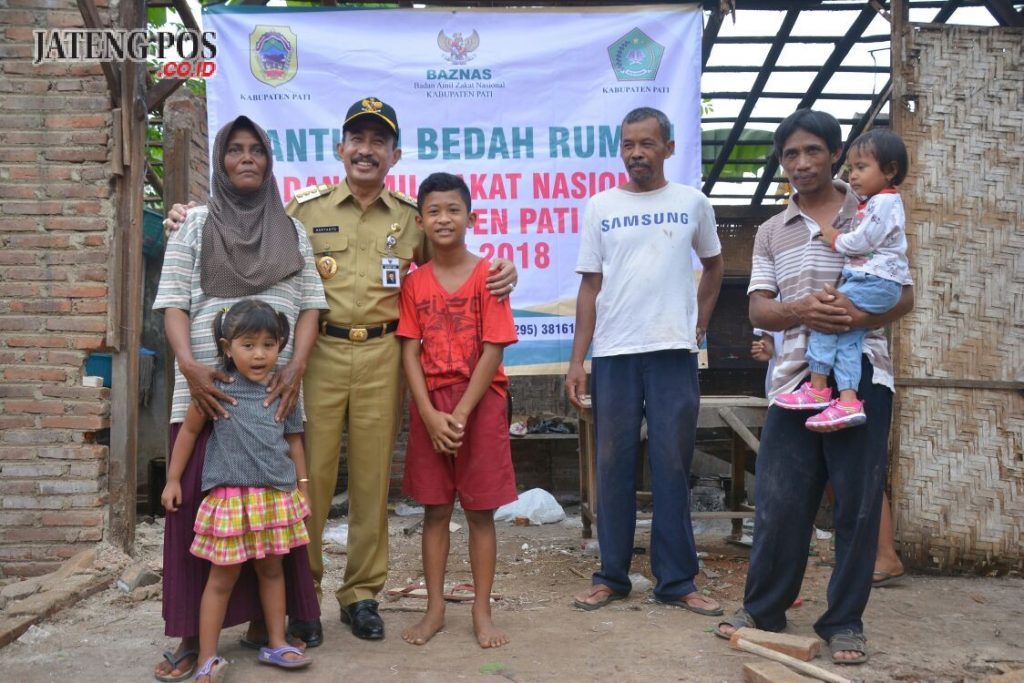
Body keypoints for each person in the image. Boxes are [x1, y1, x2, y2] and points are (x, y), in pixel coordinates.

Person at [164, 97, 517, 644]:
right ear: (340, 148)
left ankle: (362, 595)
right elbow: (247, 224)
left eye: (379, 141)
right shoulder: (306, 210)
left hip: (384, 356)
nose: (367, 150)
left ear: (394, 154)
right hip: (318, 357)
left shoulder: (411, 217)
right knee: (312, 476)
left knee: (375, 480)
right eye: (358, 139)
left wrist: (503, 270)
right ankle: (305, 593)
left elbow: (452, 259)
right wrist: (187, 215)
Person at [715, 110, 914, 666]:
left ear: (834, 153)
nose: (801, 163)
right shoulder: (772, 231)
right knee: (779, 502)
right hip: (792, 382)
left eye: (812, 151)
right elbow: (757, 306)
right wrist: (799, 309)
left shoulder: (872, 208)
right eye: (790, 154)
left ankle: (844, 622)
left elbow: (905, 296)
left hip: (862, 378)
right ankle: (764, 609)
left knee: (855, 506)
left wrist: (853, 315)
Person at [153, 116, 327, 681]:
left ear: (269, 161)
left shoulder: (291, 230)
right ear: (221, 161)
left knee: (269, 517)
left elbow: (309, 306)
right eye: (235, 150)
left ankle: (264, 629)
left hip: (273, 395)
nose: (246, 158)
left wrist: (296, 366)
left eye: (257, 150)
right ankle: (188, 639)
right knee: (198, 528)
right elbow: (174, 302)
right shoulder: (196, 224)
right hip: (207, 394)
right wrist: (190, 366)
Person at [565, 107, 725, 616]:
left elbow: (715, 265)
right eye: (629, 144)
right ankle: (611, 576)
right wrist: (577, 360)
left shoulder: (692, 203)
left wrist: (698, 324)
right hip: (614, 353)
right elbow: (589, 285)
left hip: (673, 352)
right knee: (612, 466)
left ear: (669, 148)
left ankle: (677, 580)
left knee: (671, 466)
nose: (637, 153)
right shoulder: (600, 207)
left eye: (648, 143)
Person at [396, 173, 519, 649]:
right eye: (434, 211)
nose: (443, 218)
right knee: (434, 511)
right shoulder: (414, 283)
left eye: (453, 209)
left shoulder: (490, 276)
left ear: (471, 217)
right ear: (420, 221)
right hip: (431, 405)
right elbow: (409, 351)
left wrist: (463, 413)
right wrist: (427, 413)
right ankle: (434, 609)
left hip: (480, 404)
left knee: (481, 514)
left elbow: (493, 349)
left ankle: (482, 612)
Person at [162, 300, 314, 681]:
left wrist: (304, 487)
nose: (259, 354)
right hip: (231, 500)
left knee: (272, 572)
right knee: (221, 579)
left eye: (268, 344)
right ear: (227, 346)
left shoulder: (284, 389)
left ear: (281, 345)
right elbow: (191, 433)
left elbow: (295, 441)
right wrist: (173, 479)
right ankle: (208, 658)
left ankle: (276, 642)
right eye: (248, 345)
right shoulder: (215, 388)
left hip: (275, 498)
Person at [774, 128, 911, 432]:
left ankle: (818, 385)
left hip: (874, 282)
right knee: (847, 336)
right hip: (874, 282)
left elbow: (864, 240)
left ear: (890, 171)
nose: (853, 176)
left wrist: (835, 238)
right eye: (852, 169)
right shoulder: (877, 203)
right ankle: (848, 400)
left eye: (861, 168)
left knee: (825, 316)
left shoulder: (884, 203)